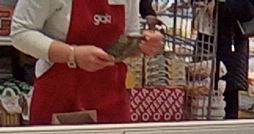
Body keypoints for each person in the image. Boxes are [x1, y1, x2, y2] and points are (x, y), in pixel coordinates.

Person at [11, 0, 164, 125]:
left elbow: (129, 36)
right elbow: (21, 32)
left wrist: (143, 44)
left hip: (111, 97)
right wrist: (72, 54)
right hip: (59, 94)